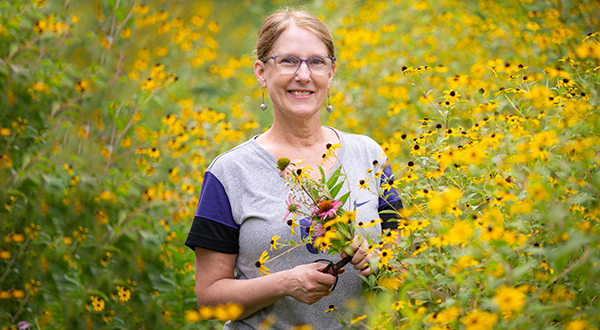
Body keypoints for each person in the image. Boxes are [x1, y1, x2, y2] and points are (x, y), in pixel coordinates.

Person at [185, 7, 403, 329]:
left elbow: (407, 261)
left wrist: (381, 263)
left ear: (330, 73)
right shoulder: (229, 172)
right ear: (261, 71)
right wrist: (284, 283)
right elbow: (210, 299)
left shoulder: (369, 154)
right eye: (288, 61)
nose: (303, 75)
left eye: (316, 62)